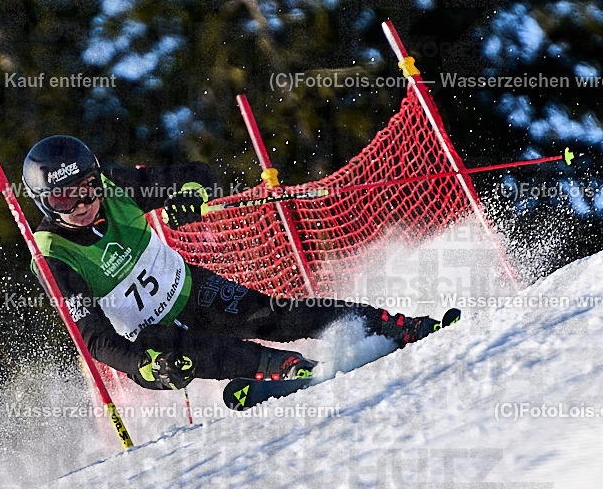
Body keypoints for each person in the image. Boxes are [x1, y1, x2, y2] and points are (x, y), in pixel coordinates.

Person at [24, 135, 451, 391]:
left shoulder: (117, 187)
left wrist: (190, 196)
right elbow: (94, 339)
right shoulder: (53, 255)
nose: (81, 203)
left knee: (273, 317)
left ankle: (394, 325)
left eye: (87, 188)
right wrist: (142, 367)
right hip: (157, 334)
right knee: (191, 355)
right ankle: (282, 371)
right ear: (45, 203)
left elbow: (198, 175)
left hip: (194, 288)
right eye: (63, 198)